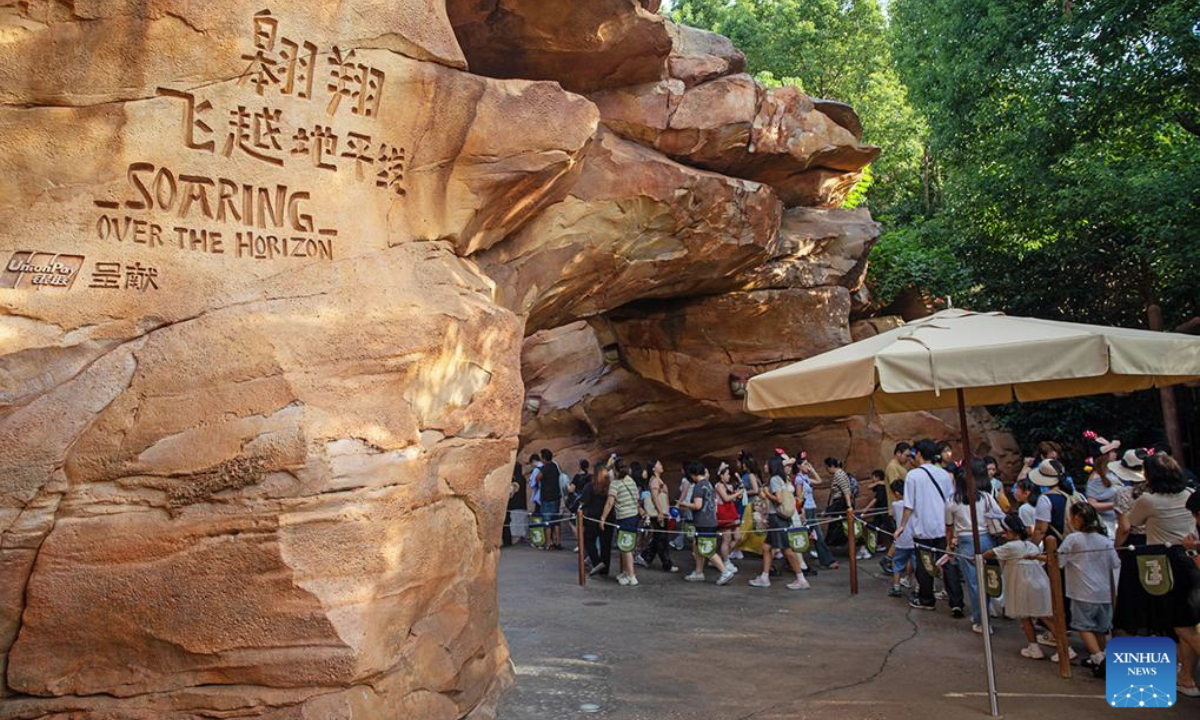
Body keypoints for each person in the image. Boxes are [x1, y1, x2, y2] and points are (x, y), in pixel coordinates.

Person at [1126, 453, 1200, 673]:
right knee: (1187, 624)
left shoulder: (1149, 500)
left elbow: (1131, 522)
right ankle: (1186, 677)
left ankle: (1185, 675)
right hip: (1191, 556)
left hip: (1165, 563)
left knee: (1181, 626)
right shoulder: (1189, 493)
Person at [896, 439, 963, 613]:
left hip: (923, 529)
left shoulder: (913, 475)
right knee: (948, 563)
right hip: (944, 527)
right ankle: (956, 601)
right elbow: (951, 501)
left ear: (918, 454)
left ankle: (927, 599)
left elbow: (908, 505)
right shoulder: (944, 474)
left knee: (925, 566)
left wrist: (901, 526)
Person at [1058, 502, 1120, 674]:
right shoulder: (1104, 540)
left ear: (1077, 518)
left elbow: (1059, 562)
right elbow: (1115, 563)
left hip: (1082, 591)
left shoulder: (1073, 539)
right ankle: (1101, 657)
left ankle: (1099, 657)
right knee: (1101, 628)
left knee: (1083, 626)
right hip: (1104, 592)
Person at [984, 514, 1054, 660]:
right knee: (1037, 615)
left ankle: (1045, 647)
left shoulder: (1009, 547)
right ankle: (1037, 647)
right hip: (1039, 582)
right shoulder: (1031, 545)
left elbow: (987, 554)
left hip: (1022, 584)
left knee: (1027, 615)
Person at [946, 458, 1004, 628]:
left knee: (973, 583)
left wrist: (950, 544)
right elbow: (999, 515)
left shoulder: (952, 502)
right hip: (987, 539)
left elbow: (949, 527)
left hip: (966, 542)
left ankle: (981, 620)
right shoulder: (985, 497)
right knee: (987, 579)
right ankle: (986, 613)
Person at [749, 455, 810, 590]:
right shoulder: (780, 478)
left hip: (777, 519)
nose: (764, 466)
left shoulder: (775, 480)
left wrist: (766, 493)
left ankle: (801, 579)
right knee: (766, 548)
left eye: (767, 464)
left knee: (787, 550)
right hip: (777, 518)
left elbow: (779, 499)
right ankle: (764, 577)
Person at [680, 462, 737, 585]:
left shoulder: (698, 486)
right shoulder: (708, 484)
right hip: (710, 520)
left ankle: (724, 571)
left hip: (703, 522)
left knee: (707, 549)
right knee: (697, 545)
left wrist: (685, 505)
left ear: (693, 474)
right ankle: (698, 571)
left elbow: (697, 505)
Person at [601, 457, 643, 586]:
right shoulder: (631, 480)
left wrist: (603, 518)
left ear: (616, 470)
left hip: (624, 517)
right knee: (628, 545)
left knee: (626, 547)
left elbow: (609, 502)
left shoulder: (615, 484)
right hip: (634, 516)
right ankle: (625, 572)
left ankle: (632, 576)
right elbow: (637, 498)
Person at [798, 456, 838, 570]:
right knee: (803, 535)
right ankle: (793, 560)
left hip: (811, 508)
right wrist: (802, 512)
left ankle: (826, 560)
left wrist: (813, 470)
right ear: (799, 466)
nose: (807, 466)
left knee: (816, 535)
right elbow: (799, 497)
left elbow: (819, 481)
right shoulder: (798, 479)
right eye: (805, 464)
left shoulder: (805, 477)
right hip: (806, 510)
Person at [639, 459, 677, 573]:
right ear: (654, 468)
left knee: (658, 537)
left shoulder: (657, 479)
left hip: (661, 512)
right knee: (662, 539)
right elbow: (654, 497)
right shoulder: (655, 481)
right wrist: (660, 512)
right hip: (658, 513)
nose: (661, 465)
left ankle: (645, 557)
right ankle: (667, 564)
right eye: (659, 464)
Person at [1084, 435, 1121, 537]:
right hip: (1107, 526)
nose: (1115, 454)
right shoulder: (1096, 478)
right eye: (1112, 451)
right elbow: (1092, 505)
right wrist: (1116, 505)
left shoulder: (1110, 473)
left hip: (1117, 522)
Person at [581, 466, 613, 577]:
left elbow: (584, 501)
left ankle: (597, 562)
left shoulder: (590, 487)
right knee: (606, 545)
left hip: (592, 518)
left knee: (588, 540)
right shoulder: (610, 487)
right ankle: (605, 570)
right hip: (608, 518)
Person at [888, 480, 916, 597]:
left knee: (898, 563)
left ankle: (896, 586)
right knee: (917, 565)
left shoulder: (895, 505)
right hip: (914, 539)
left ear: (897, 493)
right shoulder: (915, 503)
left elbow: (894, 517)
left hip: (901, 539)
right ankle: (919, 588)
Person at [715, 462, 743, 569]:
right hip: (724, 514)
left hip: (732, 512)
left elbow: (733, 498)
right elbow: (726, 498)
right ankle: (726, 561)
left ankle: (723, 557)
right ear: (721, 476)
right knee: (726, 539)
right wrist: (736, 493)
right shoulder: (718, 485)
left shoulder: (729, 486)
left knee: (738, 537)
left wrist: (736, 494)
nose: (728, 476)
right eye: (726, 474)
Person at [822, 457, 854, 548]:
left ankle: (825, 548)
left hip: (841, 504)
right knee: (840, 527)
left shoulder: (839, 474)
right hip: (840, 503)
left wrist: (849, 506)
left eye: (827, 467)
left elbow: (846, 490)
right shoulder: (840, 473)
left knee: (838, 527)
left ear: (831, 466)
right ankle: (826, 548)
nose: (827, 470)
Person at [538, 449, 564, 550]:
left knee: (547, 521)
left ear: (544, 458)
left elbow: (537, 478)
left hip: (546, 498)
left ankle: (548, 543)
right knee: (556, 521)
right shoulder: (555, 466)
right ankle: (558, 542)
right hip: (556, 497)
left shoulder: (544, 468)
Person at [505, 461, 528, 546]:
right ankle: (521, 537)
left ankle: (516, 540)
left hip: (515, 505)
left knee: (516, 525)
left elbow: (512, 491)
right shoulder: (522, 478)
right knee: (520, 524)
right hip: (522, 504)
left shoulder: (516, 479)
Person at [885, 442, 912, 507]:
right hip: (898, 507)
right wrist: (910, 503)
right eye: (907, 456)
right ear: (898, 453)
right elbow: (897, 490)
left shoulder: (900, 466)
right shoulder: (893, 467)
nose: (908, 459)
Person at [527, 453, 543, 517]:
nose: (531, 466)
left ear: (533, 461)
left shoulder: (536, 470)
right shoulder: (544, 466)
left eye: (531, 463)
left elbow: (532, 483)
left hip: (538, 494)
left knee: (537, 515)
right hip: (546, 495)